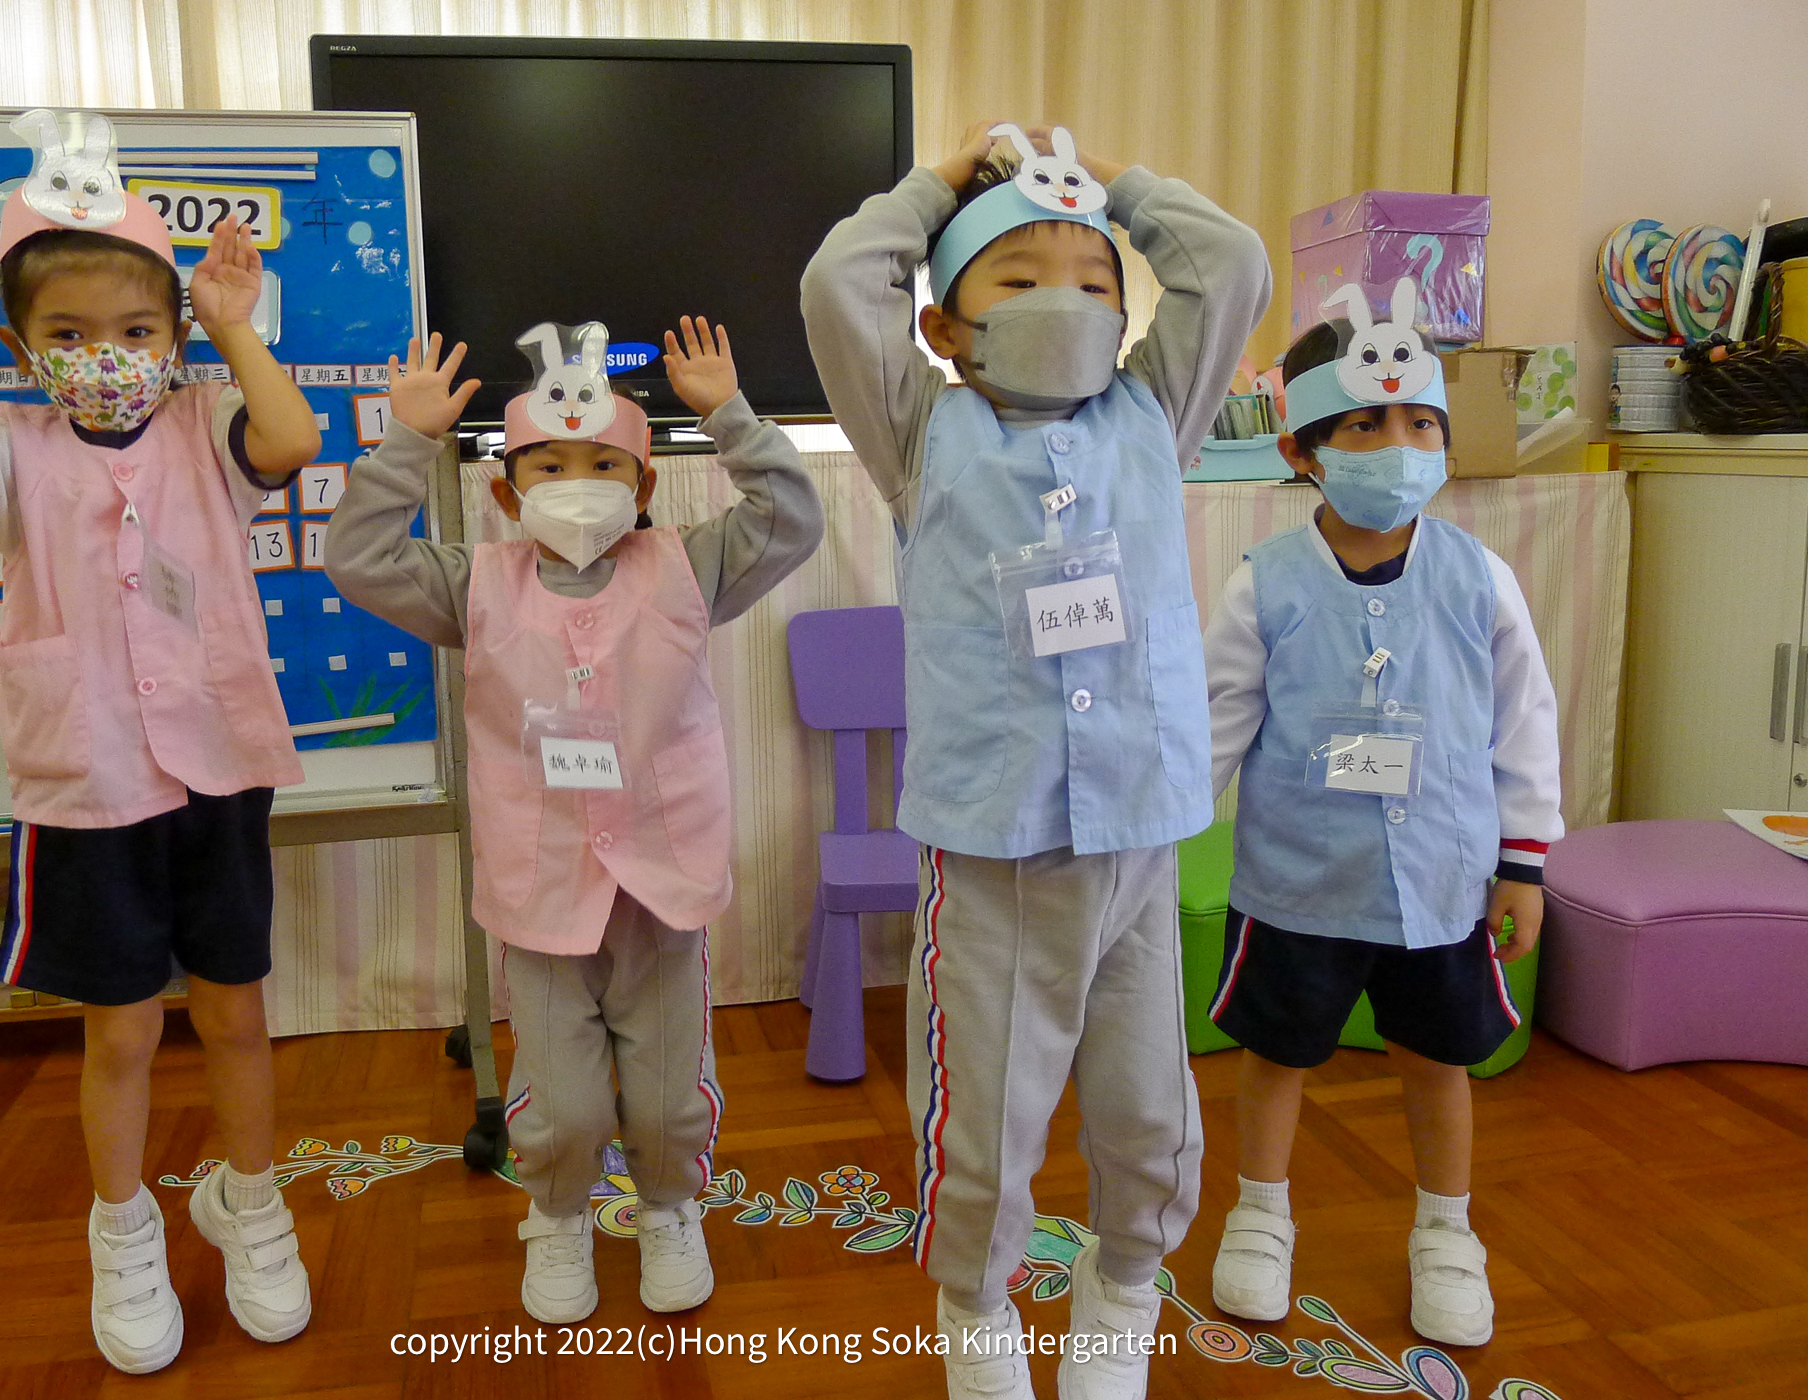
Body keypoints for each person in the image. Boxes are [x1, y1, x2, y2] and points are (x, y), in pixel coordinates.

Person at [800, 120, 1271, 1400]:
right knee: (987, 1122)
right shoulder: (919, 433)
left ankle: (1122, 1289)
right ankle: (976, 1308)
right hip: (995, 845)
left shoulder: (1151, 413)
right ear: (942, 328)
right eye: (1017, 278)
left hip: (1137, 835)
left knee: (1146, 1107)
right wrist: (939, 182)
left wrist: (1116, 181)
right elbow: (838, 285)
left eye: (1092, 279)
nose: (1062, 299)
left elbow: (1228, 264)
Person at [0, 110, 322, 1375]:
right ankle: (121, 1228)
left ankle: (249, 1200)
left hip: (216, 765)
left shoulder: (204, 428)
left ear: (170, 335)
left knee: (236, 1015)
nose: (104, 356)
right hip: (92, 781)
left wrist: (231, 328)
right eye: (66, 335)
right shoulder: (11, 451)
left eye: (133, 331)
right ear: (27, 347)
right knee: (119, 1030)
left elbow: (292, 441)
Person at [325, 315, 822, 1326]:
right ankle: (556, 1214)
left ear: (642, 485)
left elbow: (789, 521)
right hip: (544, 890)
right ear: (507, 492)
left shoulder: (685, 566)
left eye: (603, 464)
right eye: (548, 465)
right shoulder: (475, 584)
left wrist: (729, 414)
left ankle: (669, 1206)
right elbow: (361, 557)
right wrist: (407, 441)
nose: (576, 482)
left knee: (667, 1091)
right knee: (563, 1098)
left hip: (661, 885)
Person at [1200, 289, 1564, 1349]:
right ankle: (1259, 1212)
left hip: (1442, 882)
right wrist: (1146, 839)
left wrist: (1522, 863)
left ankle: (1445, 1231)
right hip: (1297, 882)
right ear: (1302, 450)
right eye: (1364, 424)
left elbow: (1523, 723)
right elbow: (1214, 722)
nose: (1397, 446)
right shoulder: (1263, 585)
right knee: (1275, 1055)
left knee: (1436, 1059)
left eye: (1419, 423)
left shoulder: (1479, 578)